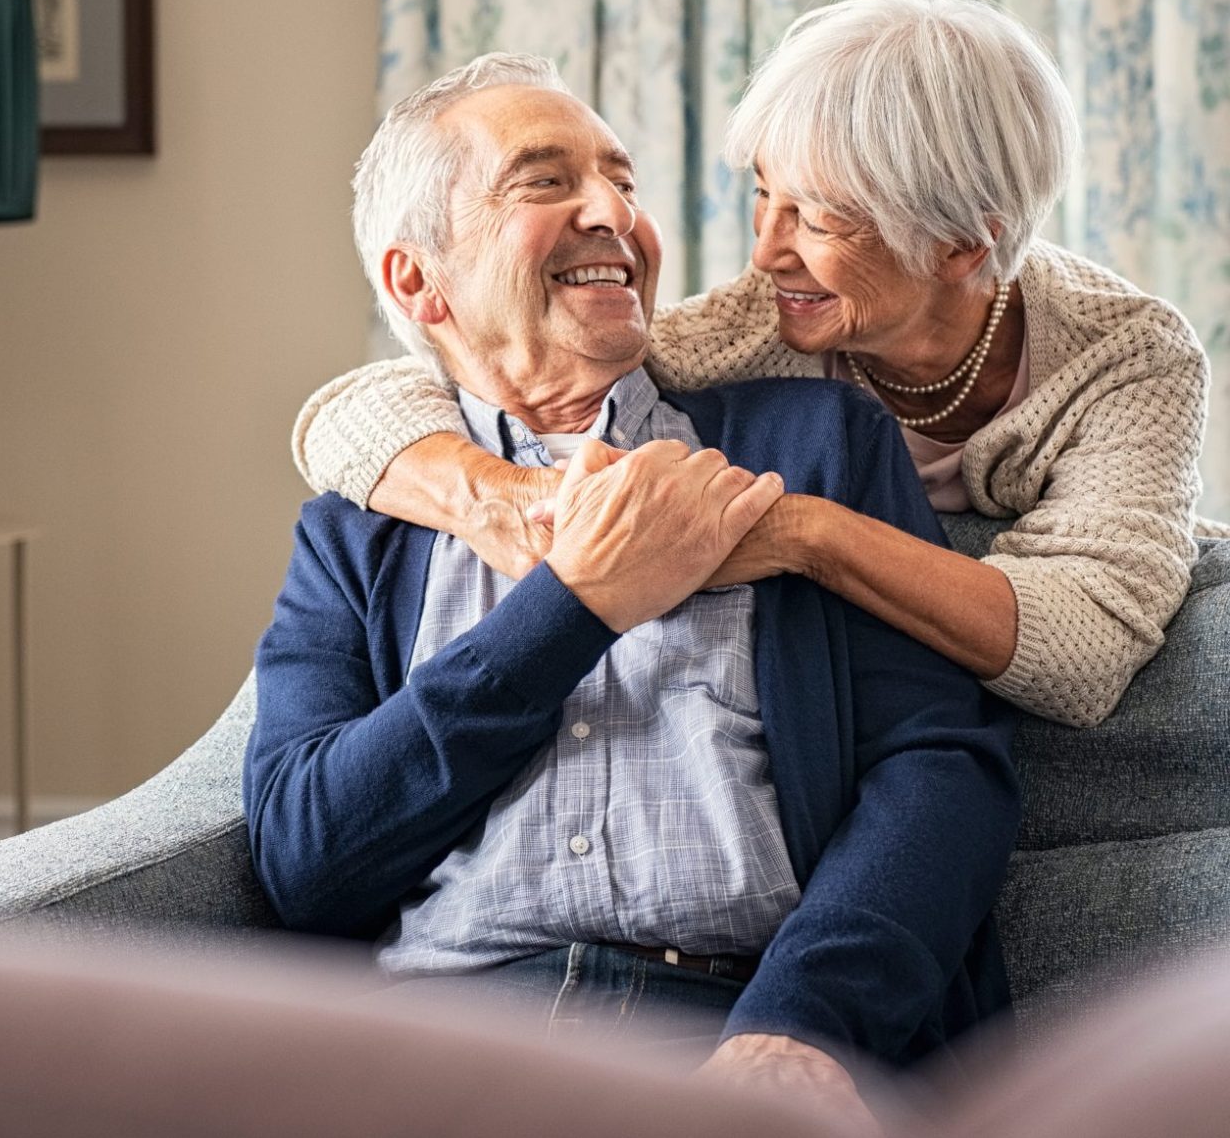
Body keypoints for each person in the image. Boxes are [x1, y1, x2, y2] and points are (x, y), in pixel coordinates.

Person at [244, 56, 1019, 1129]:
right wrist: (576, 605)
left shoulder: (811, 448)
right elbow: (306, 859)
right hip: (446, 1048)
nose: (613, 213)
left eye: (623, 182)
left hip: (731, 1026)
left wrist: (802, 1027)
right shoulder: (359, 527)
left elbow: (942, 772)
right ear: (420, 282)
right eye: (544, 183)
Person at [293, 0, 1214, 728]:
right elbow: (363, 406)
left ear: (962, 245)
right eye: (764, 197)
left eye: (814, 218)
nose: (767, 253)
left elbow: (1085, 652)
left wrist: (801, 535)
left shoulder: (1127, 358)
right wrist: (501, 496)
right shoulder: (753, 327)